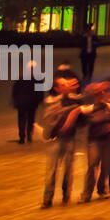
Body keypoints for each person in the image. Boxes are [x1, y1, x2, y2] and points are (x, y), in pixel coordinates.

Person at [40, 71, 84, 208]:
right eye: (63, 85)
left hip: (70, 139)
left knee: (68, 169)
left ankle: (66, 196)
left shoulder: (76, 100)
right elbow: (48, 120)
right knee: (51, 170)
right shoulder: (52, 102)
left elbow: (82, 120)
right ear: (57, 88)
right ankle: (47, 199)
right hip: (55, 140)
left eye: (67, 84)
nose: (67, 87)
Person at [80, 82, 110, 201]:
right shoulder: (90, 108)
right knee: (92, 166)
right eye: (100, 92)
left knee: (105, 167)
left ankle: (101, 190)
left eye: (103, 91)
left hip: (108, 140)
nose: (103, 94)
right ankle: (86, 193)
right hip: (94, 140)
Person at [11, 60, 45, 144]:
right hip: (32, 102)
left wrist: (15, 100)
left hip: (22, 102)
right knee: (31, 119)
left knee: (21, 119)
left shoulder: (21, 78)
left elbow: (15, 91)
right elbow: (40, 92)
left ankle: (22, 137)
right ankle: (29, 136)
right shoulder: (38, 79)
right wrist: (40, 101)